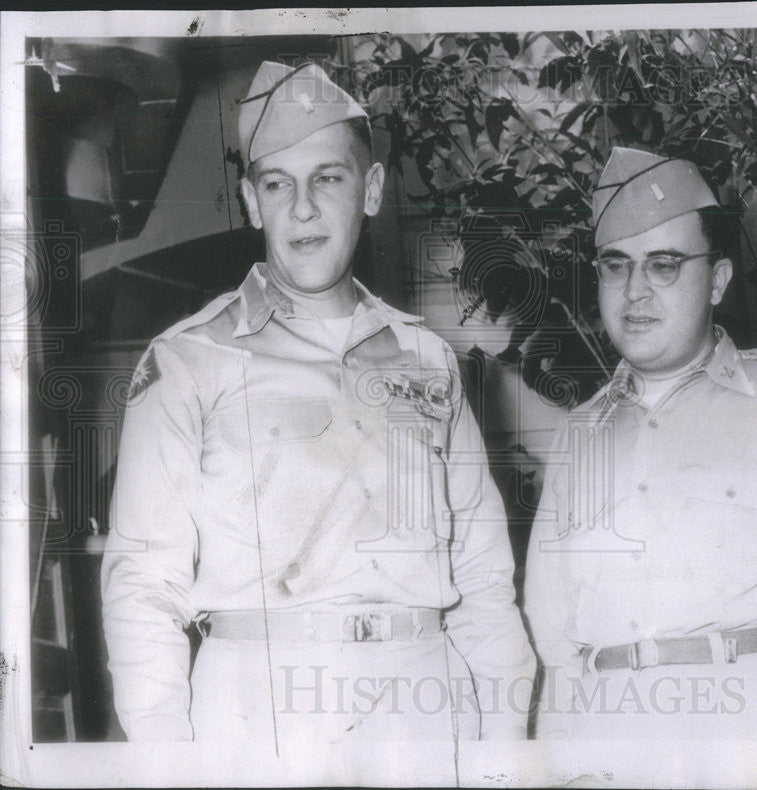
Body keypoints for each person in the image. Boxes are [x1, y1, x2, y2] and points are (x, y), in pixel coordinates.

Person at [101, 61, 535, 745]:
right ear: (250, 201)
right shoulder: (190, 360)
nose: (302, 208)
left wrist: (503, 747)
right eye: (277, 184)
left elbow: (483, 579)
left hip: (424, 707)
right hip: (261, 709)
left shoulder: (429, 362)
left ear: (371, 189)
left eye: (328, 178)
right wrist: (166, 763)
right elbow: (142, 588)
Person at [524, 147, 757, 739]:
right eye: (616, 265)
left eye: (663, 265)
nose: (635, 291)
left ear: (716, 281)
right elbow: (555, 637)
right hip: (613, 737)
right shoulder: (578, 435)